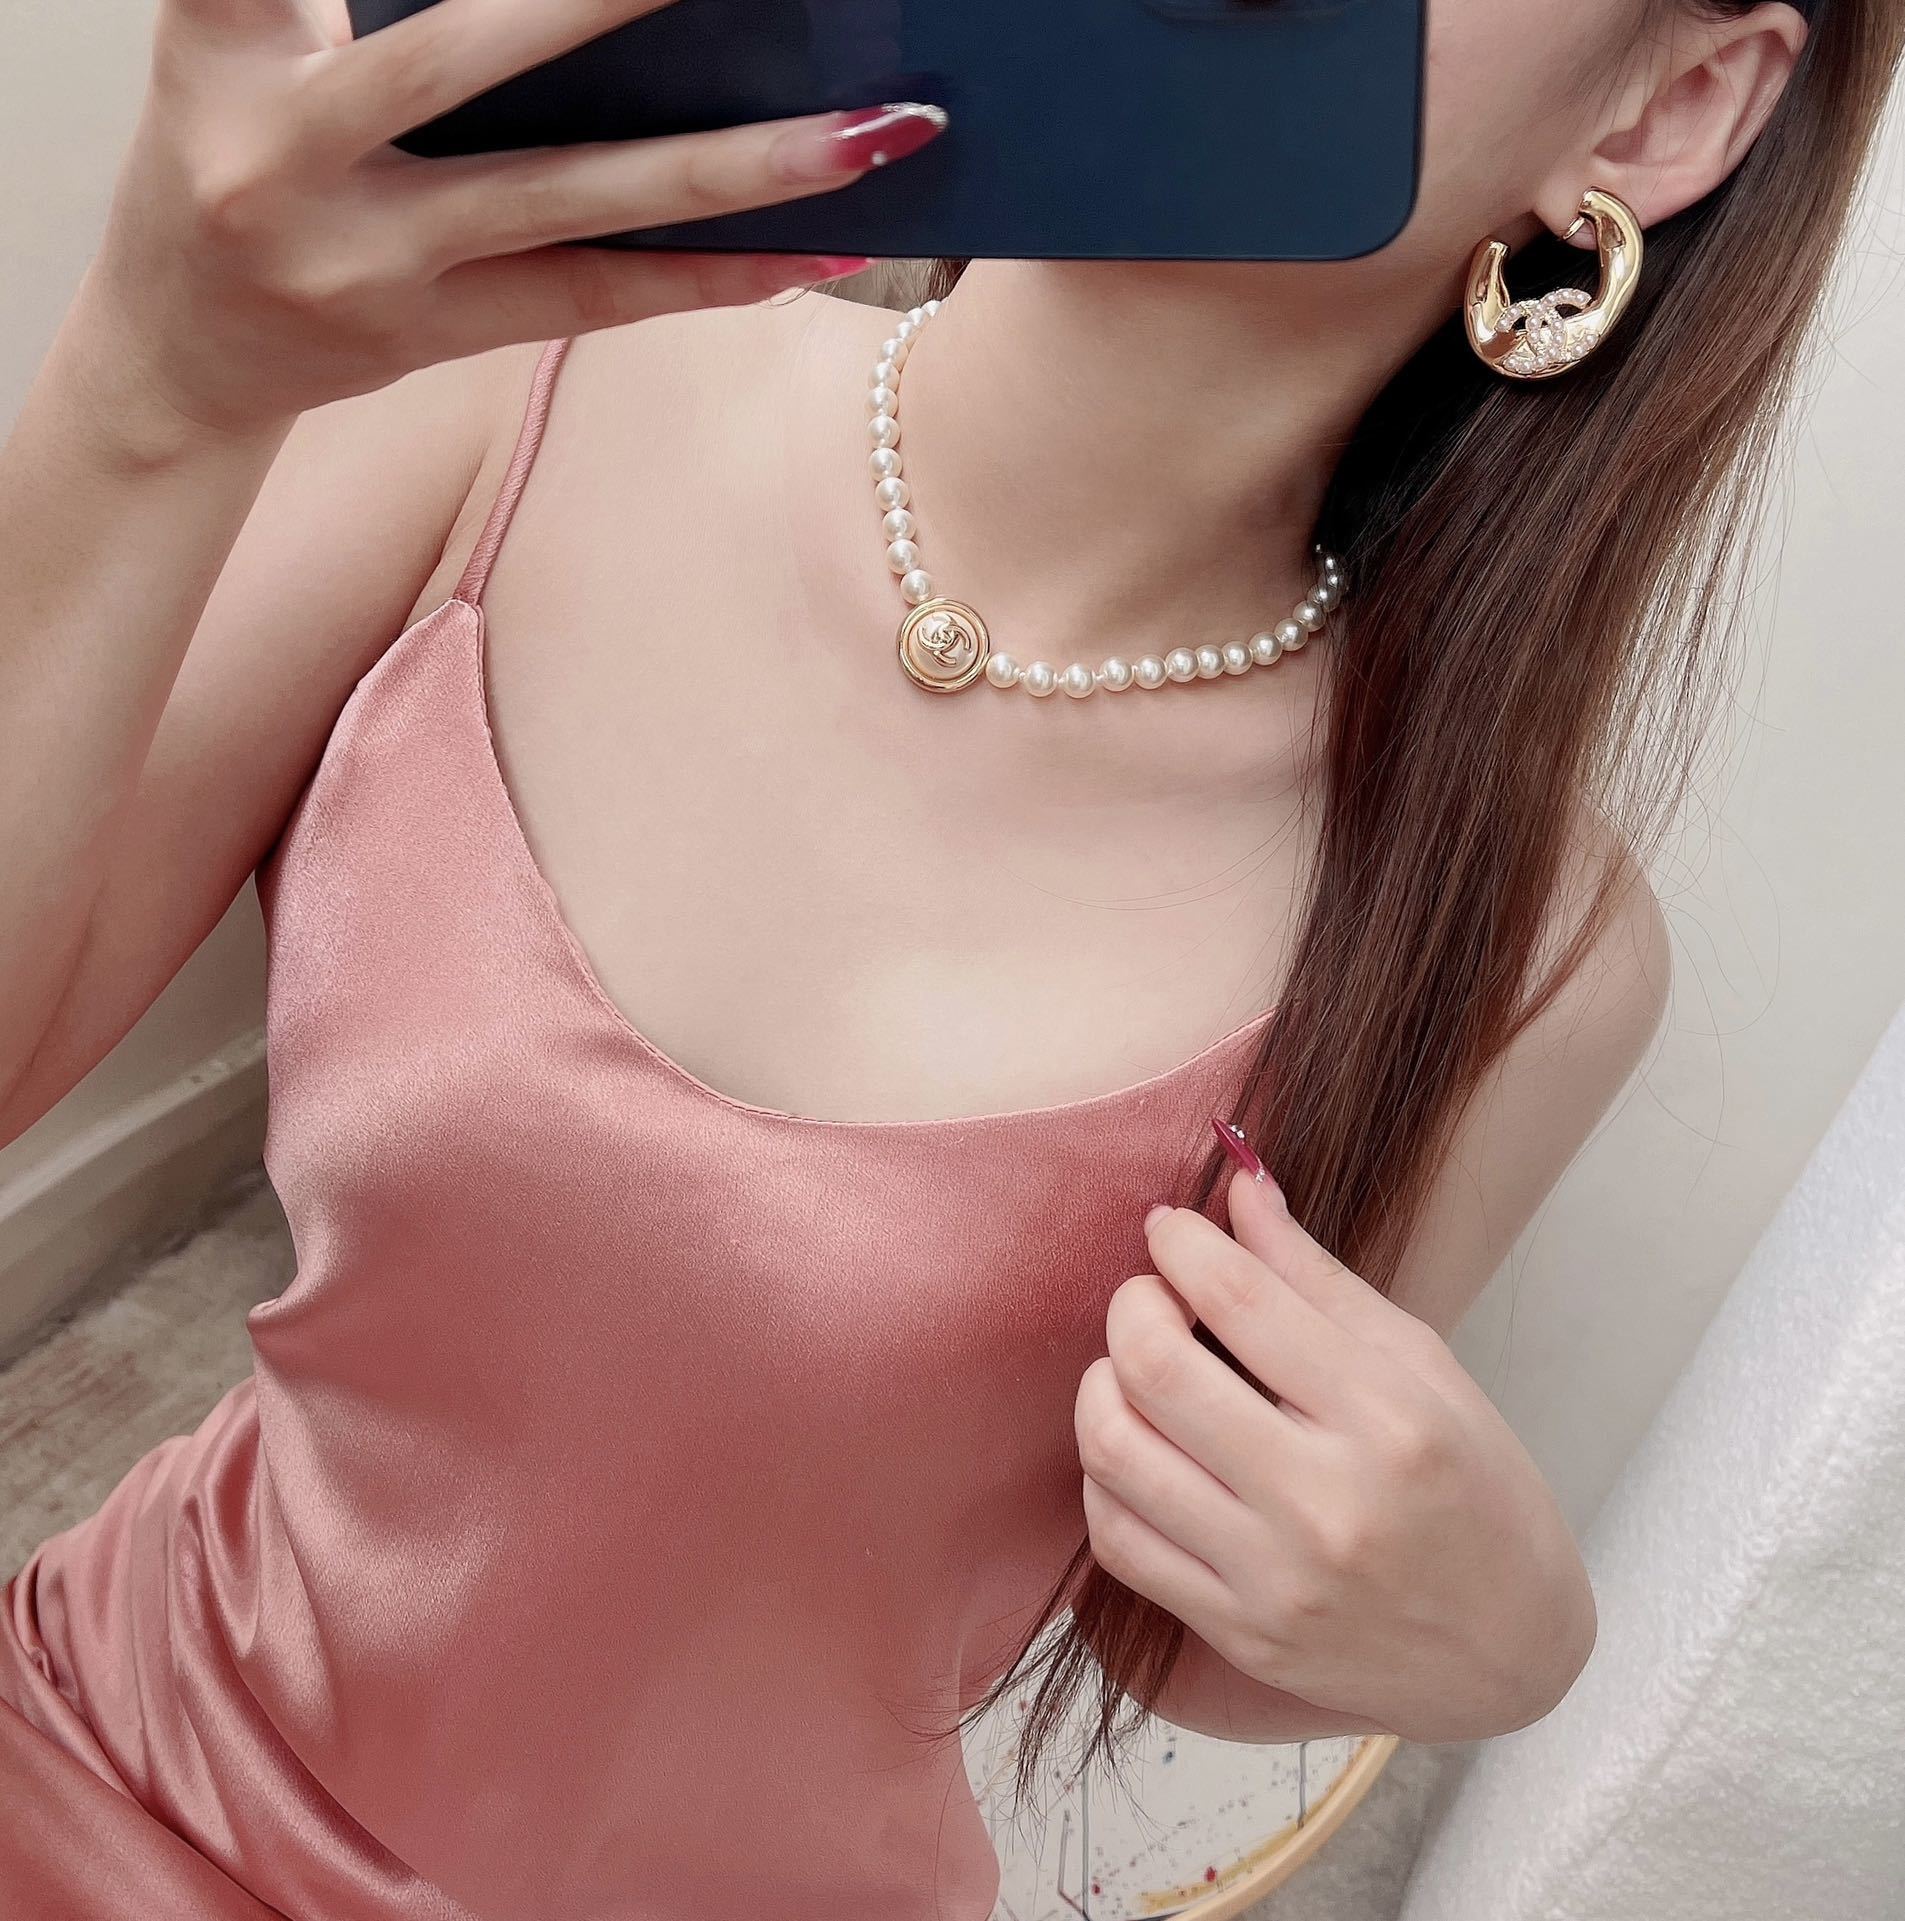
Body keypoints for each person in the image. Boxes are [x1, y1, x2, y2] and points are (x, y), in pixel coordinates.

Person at [0, 0, 1895, 1916]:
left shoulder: (1510, 946)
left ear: (1668, 105)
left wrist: (1493, 1642)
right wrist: (150, 383)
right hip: (109, 1781)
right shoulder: (516, 381)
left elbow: (1182, 1611)